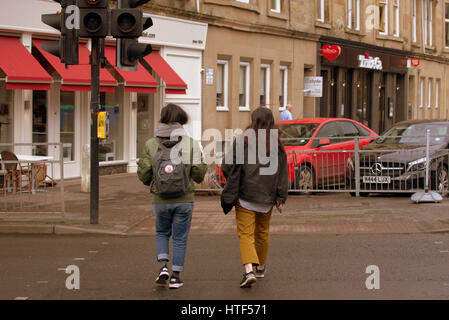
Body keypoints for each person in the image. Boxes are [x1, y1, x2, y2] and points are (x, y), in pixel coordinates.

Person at [137, 103, 207, 289]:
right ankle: (176, 277)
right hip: (184, 199)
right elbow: (199, 174)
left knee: (161, 232)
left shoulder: (151, 144)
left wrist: (154, 181)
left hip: (160, 200)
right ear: (181, 120)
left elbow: (144, 175)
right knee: (179, 237)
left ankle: (163, 267)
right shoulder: (190, 144)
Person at [221, 107, 289, 288]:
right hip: (267, 198)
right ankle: (260, 267)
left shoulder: (243, 140)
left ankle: (249, 270)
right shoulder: (277, 144)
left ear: (253, 120)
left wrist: (232, 179)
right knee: (262, 233)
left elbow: (227, 165)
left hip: (245, 195)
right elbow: (283, 173)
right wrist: (281, 198)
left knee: (246, 233)